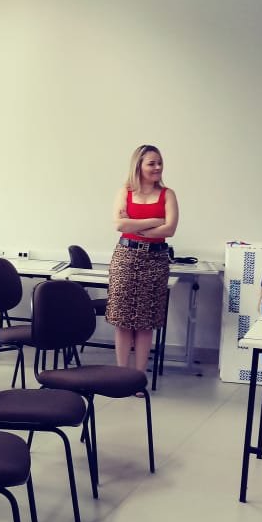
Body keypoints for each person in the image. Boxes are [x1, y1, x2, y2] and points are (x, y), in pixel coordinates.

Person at [106, 144, 180, 375]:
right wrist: (156, 221)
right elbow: (119, 225)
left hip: (155, 260)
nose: (157, 167)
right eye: (151, 163)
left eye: (160, 163)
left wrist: (135, 226)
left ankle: (138, 378)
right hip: (125, 258)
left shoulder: (168, 194)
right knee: (122, 319)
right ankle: (121, 376)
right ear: (138, 165)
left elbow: (170, 229)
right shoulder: (125, 192)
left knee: (146, 321)